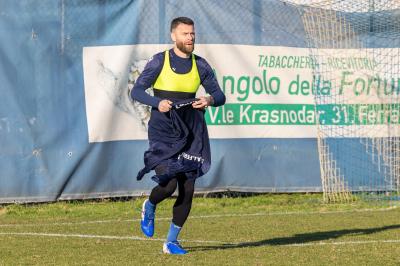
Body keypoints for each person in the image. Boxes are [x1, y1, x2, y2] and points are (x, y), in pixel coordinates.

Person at [130, 16, 225, 255]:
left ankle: (171, 242)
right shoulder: (159, 61)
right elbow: (137, 91)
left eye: (192, 33)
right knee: (169, 183)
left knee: (188, 188)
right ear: (174, 36)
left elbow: (220, 96)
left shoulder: (201, 65)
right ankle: (150, 205)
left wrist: (210, 99)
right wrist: (156, 102)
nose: (190, 38)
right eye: (185, 34)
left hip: (191, 132)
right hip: (163, 132)